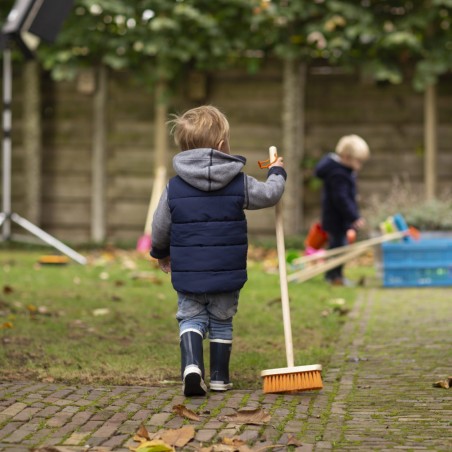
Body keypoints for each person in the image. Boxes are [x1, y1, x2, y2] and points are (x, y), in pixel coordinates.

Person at [150, 105, 286, 397]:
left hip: (188, 273)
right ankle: (220, 379)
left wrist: (161, 252)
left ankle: (191, 366)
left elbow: (160, 226)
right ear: (223, 145)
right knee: (222, 321)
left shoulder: (174, 187)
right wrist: (277, 171)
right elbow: (270, 194)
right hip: (227, 272)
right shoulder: (239, 182)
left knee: (190, 317)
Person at [314, 134, 370, 286]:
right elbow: (341, 199)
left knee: (337, 247)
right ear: (346, 157)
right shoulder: (338, 173)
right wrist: (354, 217)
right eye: (358, 161)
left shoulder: (341, 170)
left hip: (337, 219)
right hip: (336, 219)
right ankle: (334, 277)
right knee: (339, 250)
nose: (359, 165)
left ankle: (334, 276)